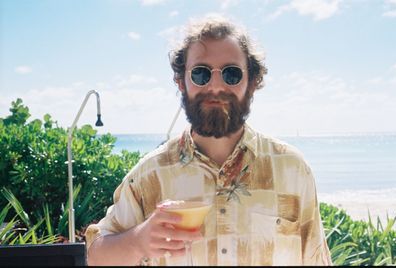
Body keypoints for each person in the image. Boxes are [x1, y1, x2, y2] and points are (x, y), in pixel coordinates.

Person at [85, 14, 332, 266]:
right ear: (181, 82)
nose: (215, 85)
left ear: (252, 82)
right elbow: (96, 257)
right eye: (201, 73)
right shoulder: (150, 175)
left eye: (232, 74)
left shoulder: (292, 169)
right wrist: (139, 241)